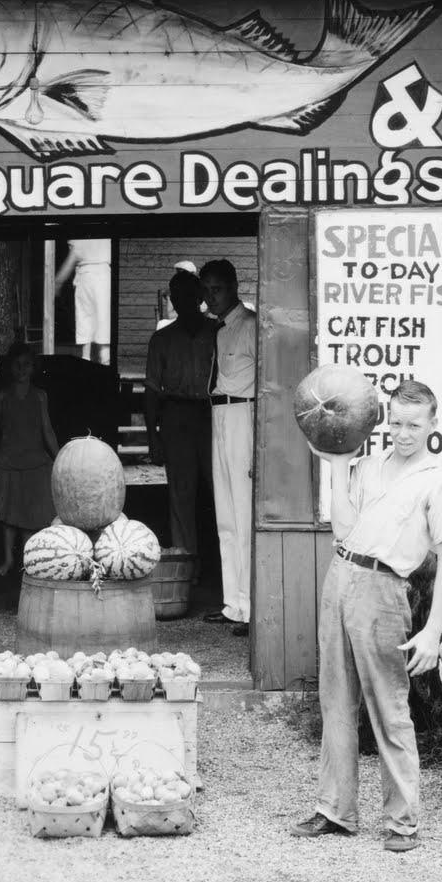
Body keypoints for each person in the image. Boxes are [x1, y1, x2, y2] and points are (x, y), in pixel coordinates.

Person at [290, 379, 442, 854]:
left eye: (414, 424)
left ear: (432, 425)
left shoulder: (436, 481)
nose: (403, 433)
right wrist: (341, 466)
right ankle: (336, 810)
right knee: (335, 700)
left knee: (389, 707)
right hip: (341, 575)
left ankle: (403, 820)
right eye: (397, 423)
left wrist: (432, 632)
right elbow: (343, 526)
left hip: (385, 591)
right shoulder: (367, 466)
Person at [200, 258, 255, 637]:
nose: (209, 297)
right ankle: (233, 602)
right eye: (206, 290)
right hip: (219, 415)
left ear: (234, 286)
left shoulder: (250, 327)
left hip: (243, 416)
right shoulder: (219, 331)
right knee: (225, 516)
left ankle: (250, 606)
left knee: (244, 512)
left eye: (216, 289)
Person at [0, 344, 60, 575]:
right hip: (8, 460)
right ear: (10, 367)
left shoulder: (40, 396)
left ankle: (27, 562)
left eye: (26, 365)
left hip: (35, 461)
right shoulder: (3, 396)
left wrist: (59, 459)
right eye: (17, 365)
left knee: (30, 515)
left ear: (33, 368)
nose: (21, 370)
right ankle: (9, 561)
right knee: (8, 516)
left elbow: (47, 430)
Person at [142, 269, 215, 556]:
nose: (182, 300)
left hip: (212, 415)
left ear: (200, 297)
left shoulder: (217, 331)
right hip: (176, 416)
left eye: (188, 294)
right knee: (180, 494)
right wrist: (153, 437)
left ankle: (225, 569)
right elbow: (151, 391)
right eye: (176, 295)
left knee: (220, 490)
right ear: (171, 299)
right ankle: (186, 566)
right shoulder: (162, 338)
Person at [55, 239, 112, 364]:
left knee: (86, 322)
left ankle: (89, 358)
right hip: (104, 277)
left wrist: (57, 283)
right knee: (103, 322)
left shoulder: (81, 240)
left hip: (87, 277)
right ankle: (104, 358)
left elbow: (72, 258)